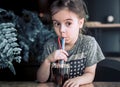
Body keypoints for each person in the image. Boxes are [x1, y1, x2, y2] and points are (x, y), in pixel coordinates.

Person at [37, 0, 105, 86]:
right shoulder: (50, 45)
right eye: (57, 24)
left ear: (80, 23)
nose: (61, 30)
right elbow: (41, 79)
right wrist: (47, 61)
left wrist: (79, 80)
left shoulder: (89, 43)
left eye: (68, 23)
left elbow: (90, 74)